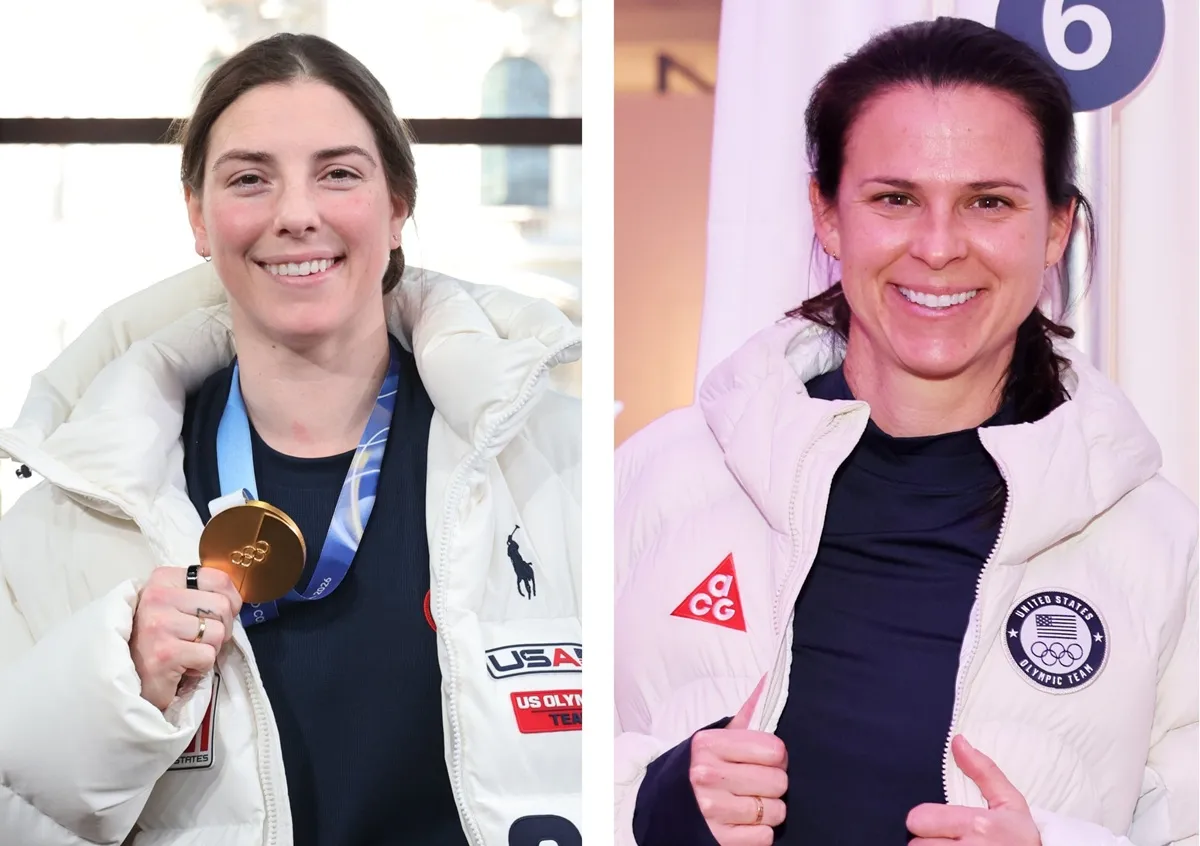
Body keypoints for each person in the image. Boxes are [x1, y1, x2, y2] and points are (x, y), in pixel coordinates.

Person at [615, 17, 1196, 846]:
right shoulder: (662, 478)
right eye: (895, 199)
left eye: (989, 202)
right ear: (827, 214)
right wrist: (648, 807)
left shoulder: (1157, 542)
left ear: (1056, 228)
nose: (938, 247)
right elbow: (516, 761)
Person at [0, 33, 582, 846]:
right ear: (198, 217)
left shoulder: (559, 464)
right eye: (250, 179)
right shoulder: (73, 514)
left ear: (398, 207)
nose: (297, 213)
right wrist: (117, 685)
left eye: (338, 173)